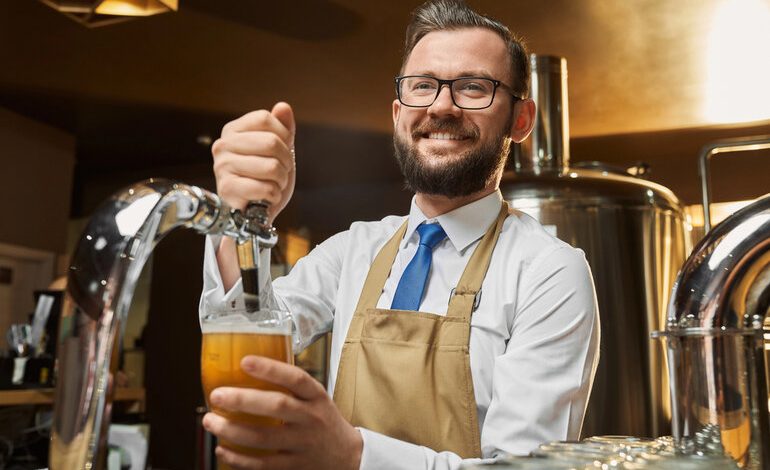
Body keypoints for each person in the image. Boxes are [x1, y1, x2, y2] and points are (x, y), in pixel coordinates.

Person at [199, 1, 600, 469]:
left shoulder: (549, 271)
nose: (441, 106)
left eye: (473, 87)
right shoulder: (353, 250)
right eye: (423, 86)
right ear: (397, 113)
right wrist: (242, 220)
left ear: (521, 119)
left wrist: (353, 455)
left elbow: (523, 468)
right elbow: (244, 332)